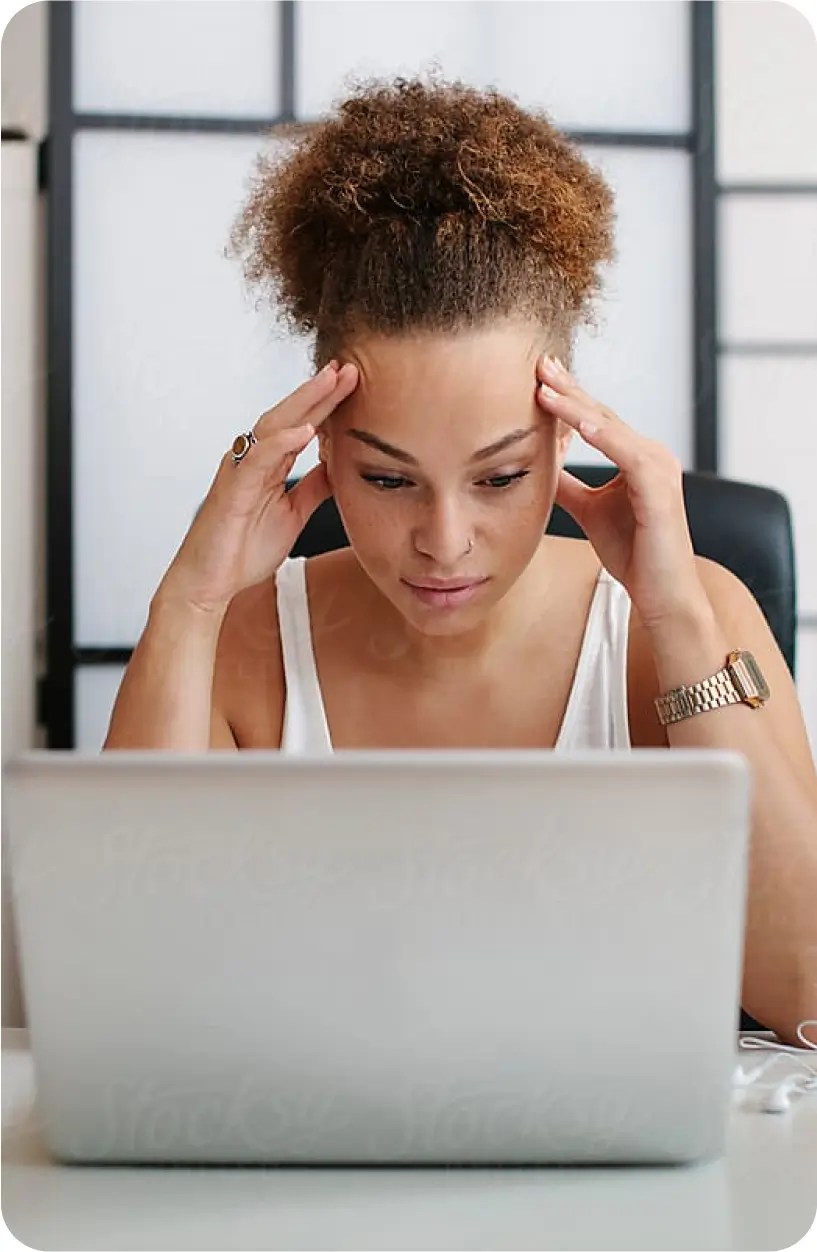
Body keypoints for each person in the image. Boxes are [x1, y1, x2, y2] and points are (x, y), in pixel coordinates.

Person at [103, 76, 817, 1046]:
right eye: (389, 480)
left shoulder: (691, 619)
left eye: (499, 477)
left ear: (565, 442)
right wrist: (189, 603)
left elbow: (803, 988)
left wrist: (675, 616)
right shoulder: (243, 641)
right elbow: (131, 977)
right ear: (318, 451)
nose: (442, 541)